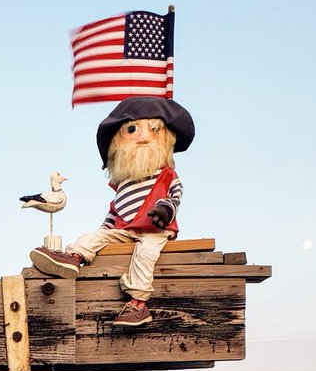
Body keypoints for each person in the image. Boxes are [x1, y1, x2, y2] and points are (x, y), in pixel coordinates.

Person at [29, 95, 195, 328]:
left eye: (154, 129)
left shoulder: (166, 176)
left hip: (154, 230)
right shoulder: (123, 185)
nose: (144, 137)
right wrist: (101, 235)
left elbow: (174, 198)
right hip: (124, 229)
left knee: (145, 255)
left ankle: (138, 303)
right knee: (93, 236)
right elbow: (115, 212)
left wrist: (165, 211)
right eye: (132, 129)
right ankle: (74, 258)